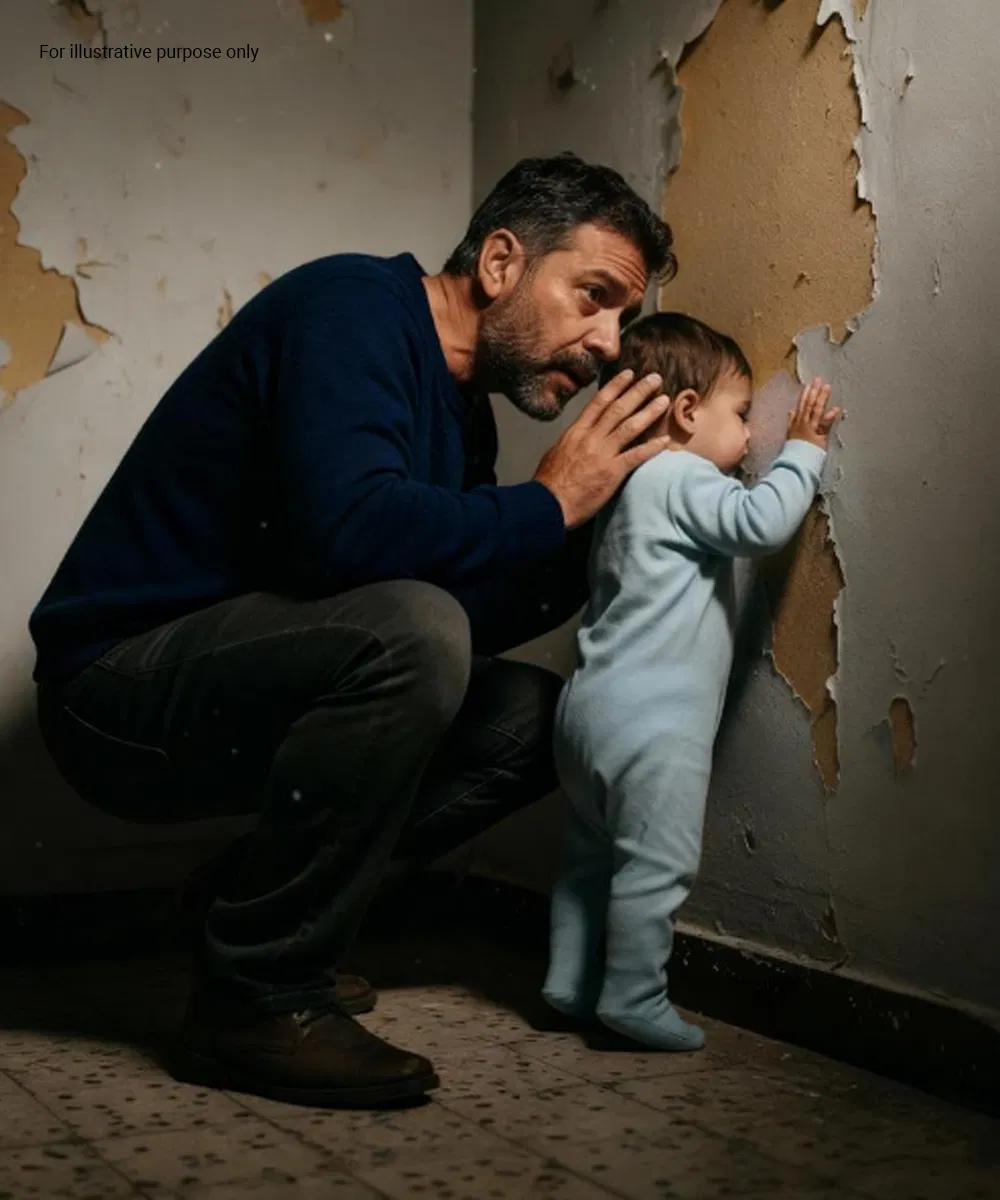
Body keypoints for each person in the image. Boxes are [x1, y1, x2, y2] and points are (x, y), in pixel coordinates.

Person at [28, 153, 677, 1108]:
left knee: (545, 720)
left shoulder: (464, 415)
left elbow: (468, 618)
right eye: (593, 296)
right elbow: (351, 535)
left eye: (622, 316)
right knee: (412, 630)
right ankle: (258, 996)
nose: (608, 342)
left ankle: (233, 910)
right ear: (500, 261)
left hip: (240, 684)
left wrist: (599, 537)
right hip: (114, 689)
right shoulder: (352, 307)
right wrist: (546, 504)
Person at [542, 312, 839, 1051]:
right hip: (655, 724)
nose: (746, 438)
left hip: (585, 714)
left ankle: (569, 981)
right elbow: (759, 524)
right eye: (740, 416)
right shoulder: (679, 474)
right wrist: (801, 455)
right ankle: (633, 998)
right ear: (683, 414)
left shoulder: (623, 490)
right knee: (655, 865)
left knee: (588, 861)